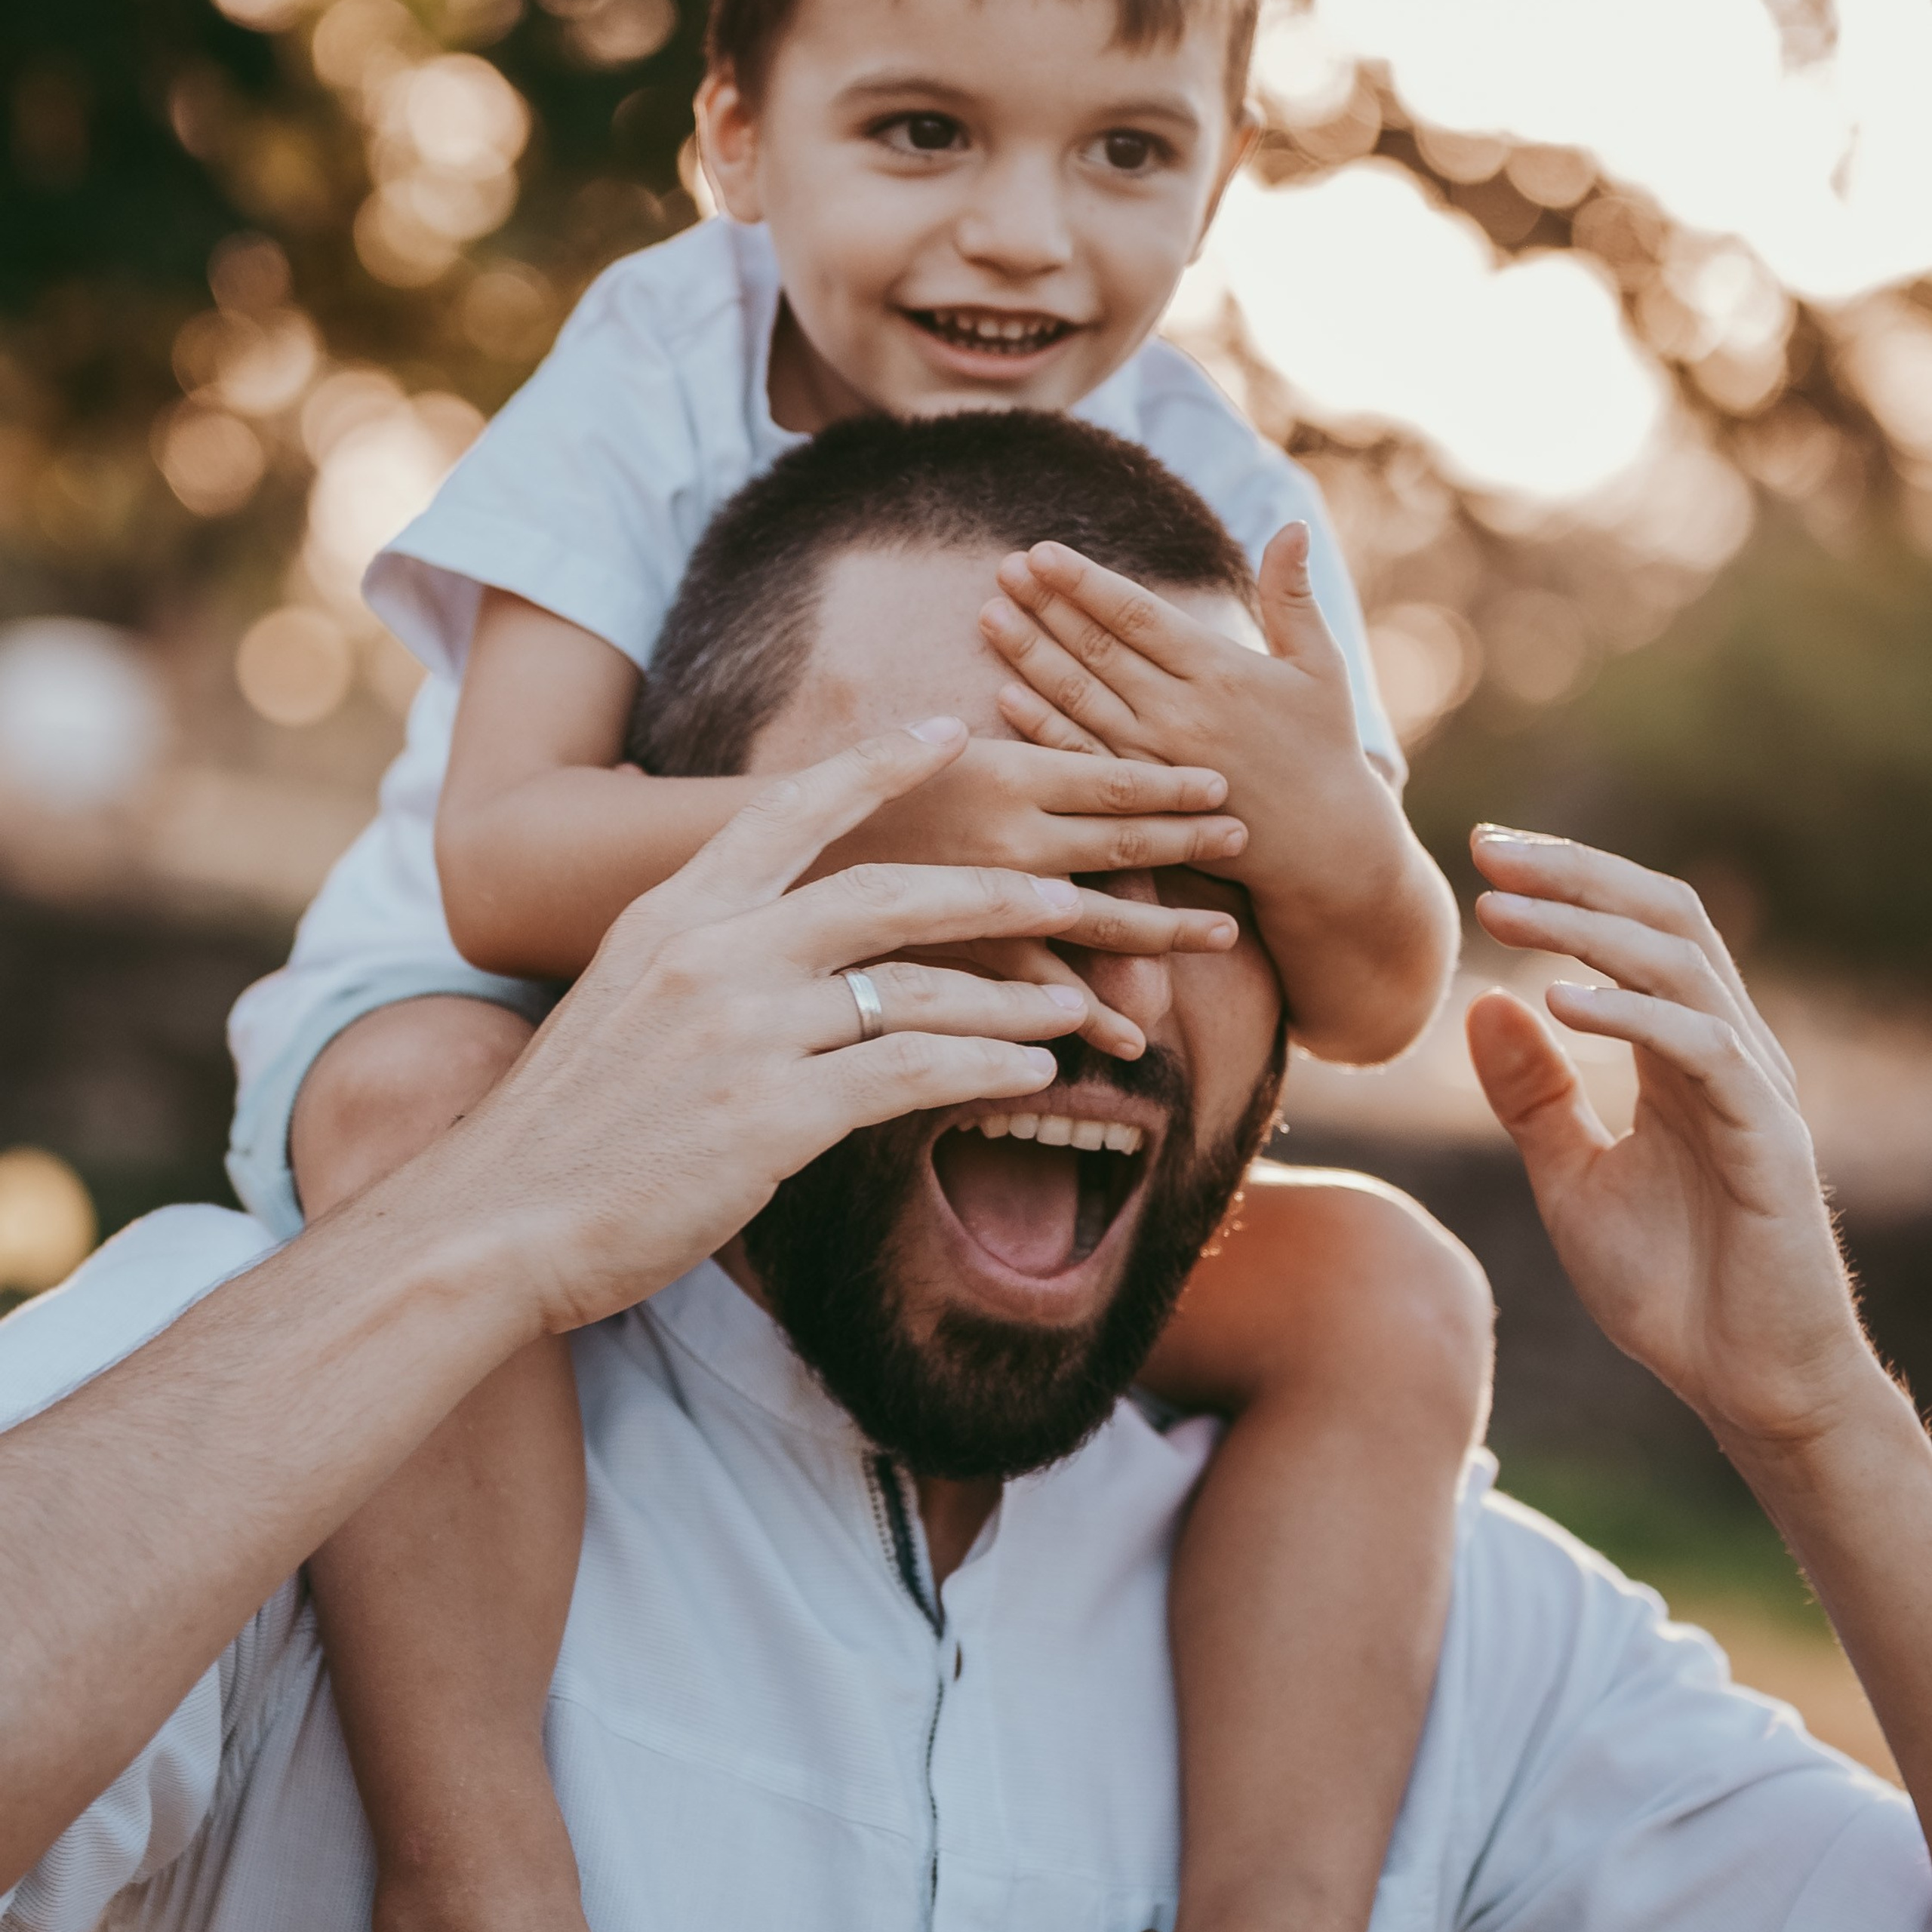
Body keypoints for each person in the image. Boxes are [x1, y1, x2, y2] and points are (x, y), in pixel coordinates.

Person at [5, 412, 1931, 1932]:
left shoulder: (1428, 1631)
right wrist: (485, 1228)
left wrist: (1819, 1417)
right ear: (656, 903)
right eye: (961, 846)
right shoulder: (273, 1407)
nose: (1101, 978)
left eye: (1199, 877)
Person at [223, 1, 1468, 1925]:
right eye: (920, 133)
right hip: (525, 1036)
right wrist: (900, 818)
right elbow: (503, 855)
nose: (1022, 235)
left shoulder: (1224, 504)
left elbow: (1379, 999)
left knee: (1391, 1291)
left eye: (1124, 153)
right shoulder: (656, 364)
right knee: (419, 1114)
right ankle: (473, 1852)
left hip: (913, 1112)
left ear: (1219, 176)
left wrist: (1325, 828)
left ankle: (1275, 1894)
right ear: (735, 134)